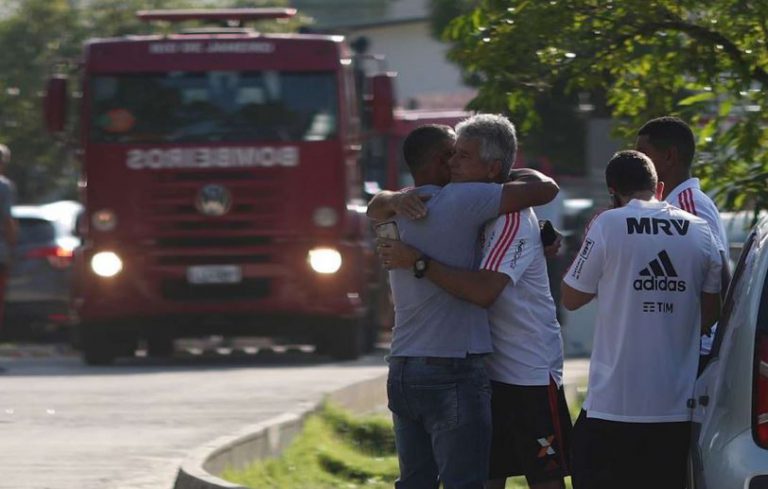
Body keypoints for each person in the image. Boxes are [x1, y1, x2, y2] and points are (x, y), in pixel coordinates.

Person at [376, 114, 571, 489]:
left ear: (493, 168)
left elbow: (483, 291)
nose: (453, 163)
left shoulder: (507, 215)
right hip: (485, 369)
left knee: (541, 478)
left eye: (463, 155)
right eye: (452, 154)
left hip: (526, 369)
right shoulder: (471, 206)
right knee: (482, 476)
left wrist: (417, 259)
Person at [561, 150, 722, 489]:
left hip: (612, 405)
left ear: (612, 192)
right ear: (659, 187)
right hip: (676, 409)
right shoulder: (701, 230)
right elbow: (712, 311)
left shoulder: (608, 223)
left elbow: (572, 297)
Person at [634, 116, 730, 358]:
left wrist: (682, 338)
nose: (637, 163)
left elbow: (721, 278)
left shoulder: (689, 206)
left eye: (643, 154)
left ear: (669, 156)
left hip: (694, 353)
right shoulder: (671, 204)